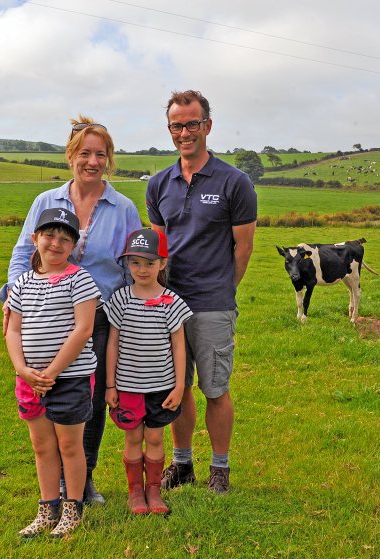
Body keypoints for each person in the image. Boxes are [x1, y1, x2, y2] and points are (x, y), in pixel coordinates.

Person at [1, 116, 142, 505]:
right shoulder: (45, 202)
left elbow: (132, 267)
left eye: (101, 154)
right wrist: (14, 300)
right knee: (45, 388)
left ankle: (84, 477)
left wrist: (130, 319)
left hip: (96, 320)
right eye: (85, 153)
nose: (92, 161)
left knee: (90, 400)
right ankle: (56, 479)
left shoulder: (124, 207)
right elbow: (20, 254)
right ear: (70, 156)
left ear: (109, 160)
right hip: (44, 317)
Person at [145, 90, 257, 493]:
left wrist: (224, 290)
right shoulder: (158, 184)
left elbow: (243, 247)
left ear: (207, 126)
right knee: (177, 387)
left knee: (215, 388)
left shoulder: (235, 182)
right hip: (169, 303)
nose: (185, 132)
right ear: (170, 129)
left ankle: (220, 469)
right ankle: (183, 463)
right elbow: (158, 249)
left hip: (212, 304)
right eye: (177, 125)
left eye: (193, 123)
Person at [5, 208, 100, 537]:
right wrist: (22, 369)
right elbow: (13, 330)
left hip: (70, 379)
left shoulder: (80, 279)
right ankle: (47, 509)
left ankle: (73, 509)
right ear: (34, 239)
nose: (56, 243)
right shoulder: (22, 284)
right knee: (42, 446)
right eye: (49, 235)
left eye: (65, 238)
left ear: (74, 245)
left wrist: (53, 372)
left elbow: (84, 329)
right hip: (29, 380)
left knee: (70, 446)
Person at [103, 228, 192, 514]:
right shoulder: (120, 299)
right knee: (132, 438)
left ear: (163, 263)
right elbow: (112, 343)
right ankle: (135, 493)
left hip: (162, 387)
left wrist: (179, 386)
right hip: (127, 387)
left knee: (155, 438)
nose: (142, 269)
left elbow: (179, 346)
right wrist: (110, 385)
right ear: (127, 264)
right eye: (135, 262)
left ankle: (154, 491)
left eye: (150, 263)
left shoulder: (172, 302)